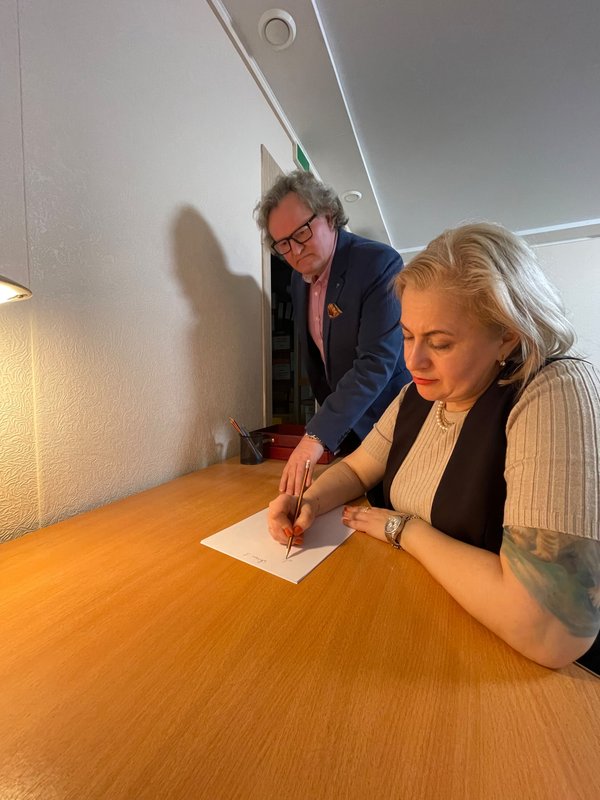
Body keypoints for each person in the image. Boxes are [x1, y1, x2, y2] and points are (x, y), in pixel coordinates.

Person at [267, 221, 600, 670]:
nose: (413, 360)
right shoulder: (417, 395)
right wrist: (308, 501)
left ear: (507, 334)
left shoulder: (554, 389)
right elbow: (358, 468)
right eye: (407, 336)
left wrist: (403, 530)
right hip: (420, 621)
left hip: (506, 667)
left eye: (440, 343)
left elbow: (550, 633)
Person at [255, 170, 411, 496]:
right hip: (346, 433)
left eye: (301, 233)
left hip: (392, 425)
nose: (295, 251)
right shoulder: (298, 280)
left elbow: (375, 363)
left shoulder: (378, 263)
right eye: (283, 244)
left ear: (328, 215)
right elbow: (319, 364)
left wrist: (316, 436)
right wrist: (332, 434)